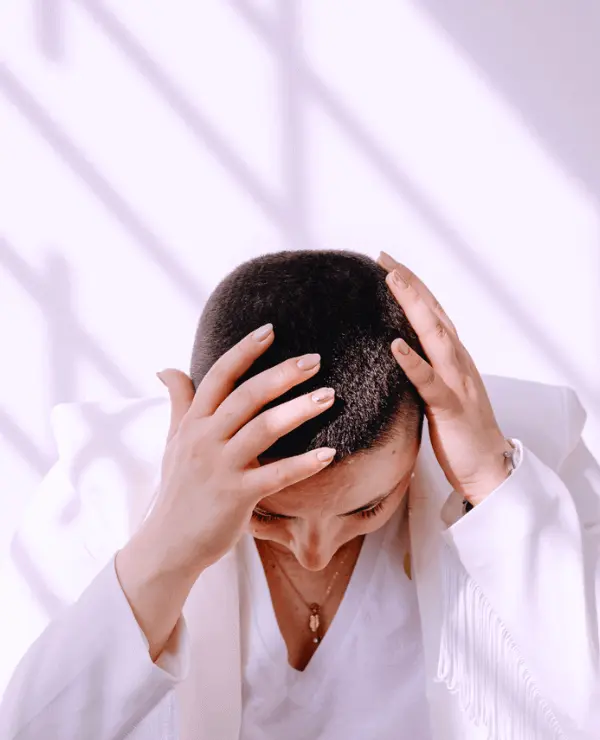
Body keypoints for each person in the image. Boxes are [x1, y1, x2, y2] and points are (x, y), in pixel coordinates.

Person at [0, 249, 599, 740]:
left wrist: (493, 490)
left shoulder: (536, 467)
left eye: (367, 507)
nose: (315, 551)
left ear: (418, 447)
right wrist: (166, 550)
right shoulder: (102, 483)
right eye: (267, 512)